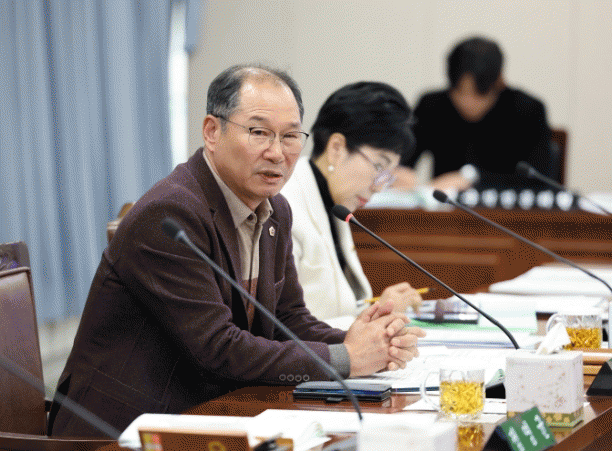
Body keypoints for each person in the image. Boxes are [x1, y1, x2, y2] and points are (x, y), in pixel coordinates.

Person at [48, 65, 426, 437]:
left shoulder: (276, 210)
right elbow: (217, 348)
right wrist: (346, 358)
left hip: (213, 413)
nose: (277, 152)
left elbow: (288, 319)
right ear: (212, 131)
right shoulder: (172, 214)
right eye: (259, 132)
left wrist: (362, 340)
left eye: (290, 136)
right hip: (126, 428)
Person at [281, 82, 423, 320]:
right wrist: (373, 319)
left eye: (388, 175)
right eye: (379, 166)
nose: (379, 186)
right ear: (336, 148)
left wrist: (378, 310)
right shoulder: (284, 208)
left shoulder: (335, 201)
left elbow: (337, 308)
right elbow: (287, 326)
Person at [394, 36, 553, 192]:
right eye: (459, 91)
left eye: (479, 94)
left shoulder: (527, 110)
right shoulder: (432, 106)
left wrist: (471, 179)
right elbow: (403, 160)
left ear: (499, 81)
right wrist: (399, 174)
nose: (467, 102)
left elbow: (541, 180)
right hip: (446, 206)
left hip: (507, 207)